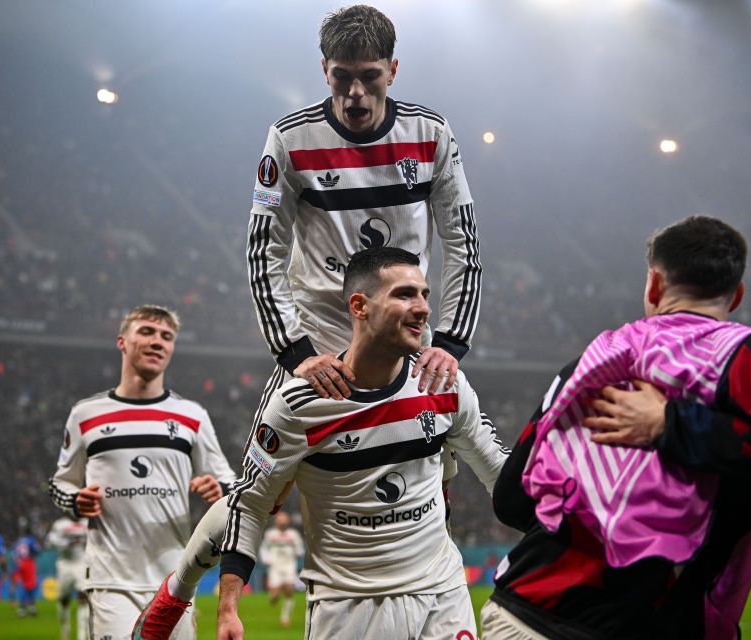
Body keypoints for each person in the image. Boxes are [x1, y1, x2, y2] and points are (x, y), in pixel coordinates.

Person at [134, 6, 484, 636]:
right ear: (324, 70)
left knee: (437, 470)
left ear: (393, 70)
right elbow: (261, 248)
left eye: (370, 77)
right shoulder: (289, 140)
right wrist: (295, 353)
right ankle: (177, 591)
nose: (354, 94)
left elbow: (462, 240)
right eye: (341, 77)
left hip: (407, 336)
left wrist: (452, 341)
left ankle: (434, 592)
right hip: (322, 348)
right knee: (257, 486)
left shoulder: (432, 135)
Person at [484, 216, 751, 640]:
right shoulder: (743, 357)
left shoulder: (585, 366)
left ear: (653, 285)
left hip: (520, 613)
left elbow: (511, 498)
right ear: (737, 295)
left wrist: (588, 524)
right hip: (640, 621)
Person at [216, 247, 507, 640]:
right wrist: (228, 608)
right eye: (404, 294)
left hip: (443, 595)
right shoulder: (298, 406)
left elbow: (501, 474)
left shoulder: (444, 383)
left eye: (425, 294)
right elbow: (250, 502)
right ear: (360, 306)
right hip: (348, 607)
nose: (422, 308)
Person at [48, 304, 237, 640]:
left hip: (175, 580)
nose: (157, 342)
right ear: (122, 341)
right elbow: (60, 484)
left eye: (166, 336)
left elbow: (232, 487)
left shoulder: (191, 415)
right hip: (110, 581)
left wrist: (218, 488)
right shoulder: (86, 414)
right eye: (146, 332)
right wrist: (77, 500)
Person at [46, 515, 89, 640]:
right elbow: (50, 542)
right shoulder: (60, 524)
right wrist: (68, 542)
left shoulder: (87, 522)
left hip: (81, 562)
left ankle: (82, 635)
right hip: (65, 564)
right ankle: (65, 630)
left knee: (83, 597)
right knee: (64, 600)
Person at [258, 511, 304, 627]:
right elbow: (264, 548)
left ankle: (285, 617)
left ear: (287, 521)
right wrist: (266, 559)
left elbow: (299, 550)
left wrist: (297, 553)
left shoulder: (293, 534)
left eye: (284, 519)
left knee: (289, 590)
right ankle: (273, 597)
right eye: (280, 519)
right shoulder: (270, 534)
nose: (282, 522)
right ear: (276, 521)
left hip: (289, 566)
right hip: (275, 566)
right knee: (275, 596)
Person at [11, 527, 40, 617]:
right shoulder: (31, 540)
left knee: (24, 585)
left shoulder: (19, 541)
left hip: (19, 563)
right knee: (30, 585)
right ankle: (28, 608)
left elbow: (14, 553)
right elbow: (37, 550)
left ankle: (24, 608)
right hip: (28, 563)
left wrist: (18, 563)